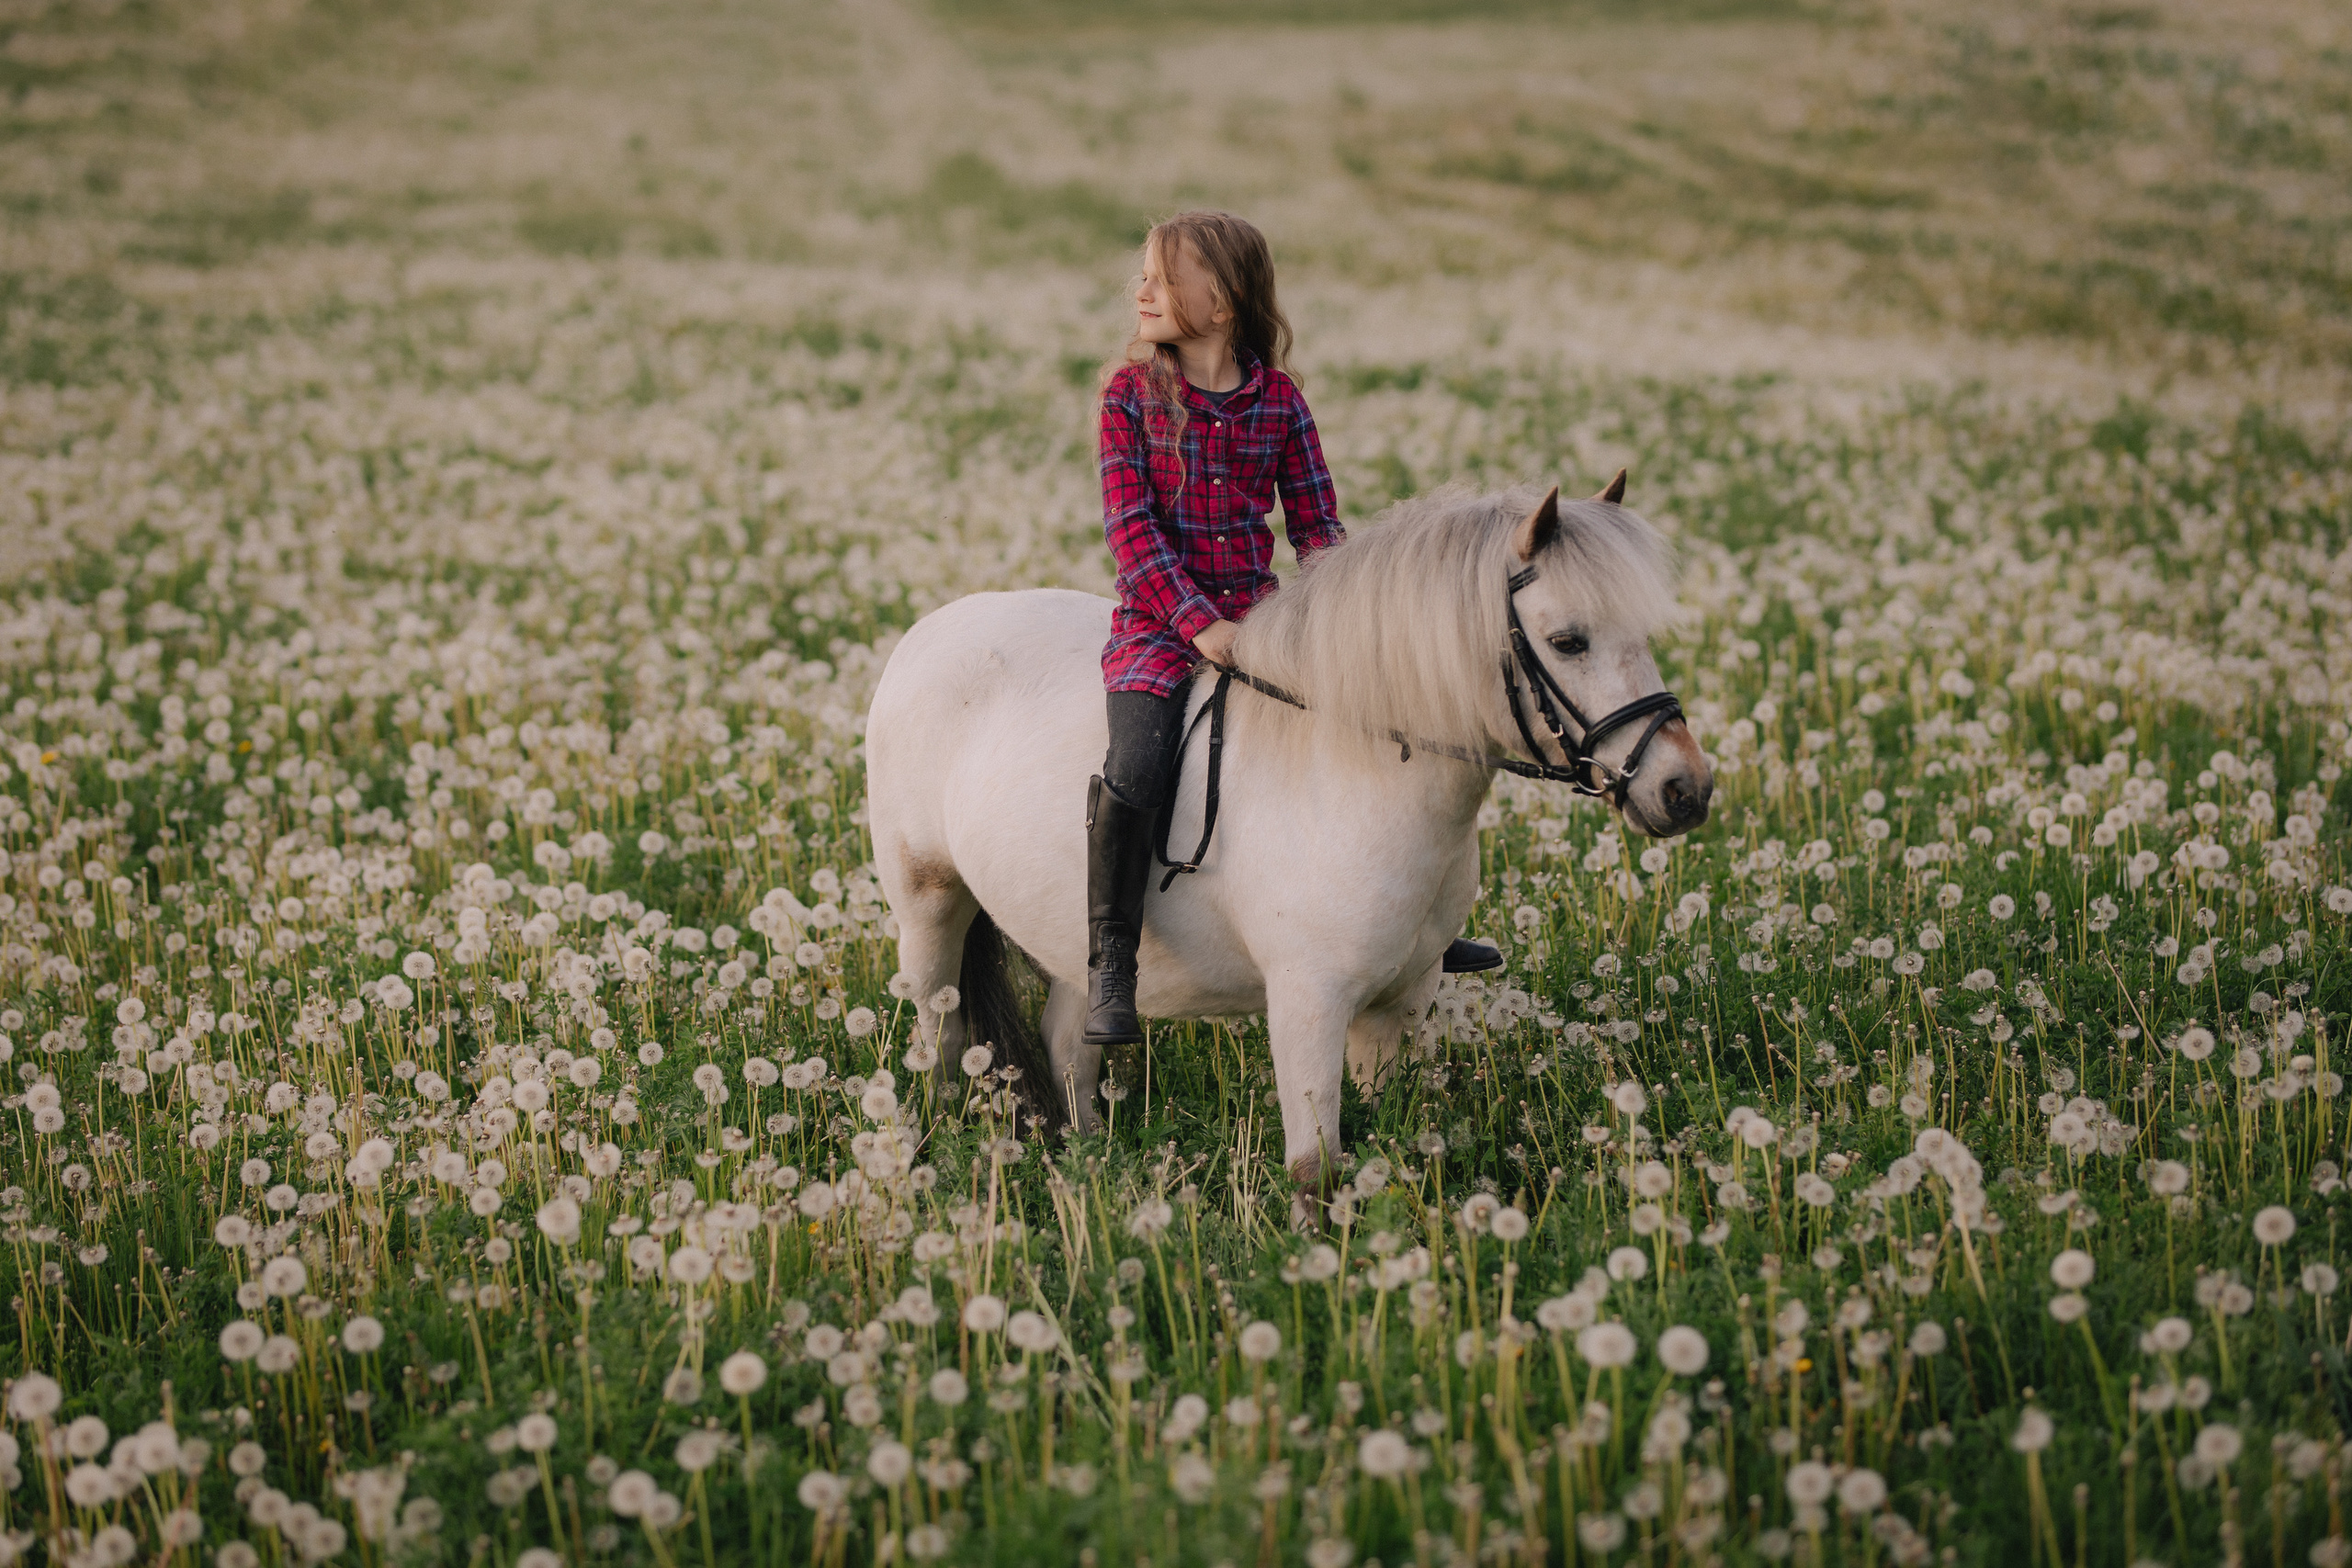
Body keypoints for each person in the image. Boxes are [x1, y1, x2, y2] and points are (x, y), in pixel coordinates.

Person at [1085, 212, 1498, 1048]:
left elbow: (1317, 527)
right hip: (1160, 628)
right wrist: (1200, 624)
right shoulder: (1130, 397)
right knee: (1135, 765)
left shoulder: (1279, 401)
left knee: (1393, 733)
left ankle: (1424, 923)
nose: (1143, 291)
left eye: (1162, 279)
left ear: (1224, 299)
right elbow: (1132, 534)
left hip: (1271, 624)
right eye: (1146, 277)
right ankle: (1111, 958)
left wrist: (1348, 627)